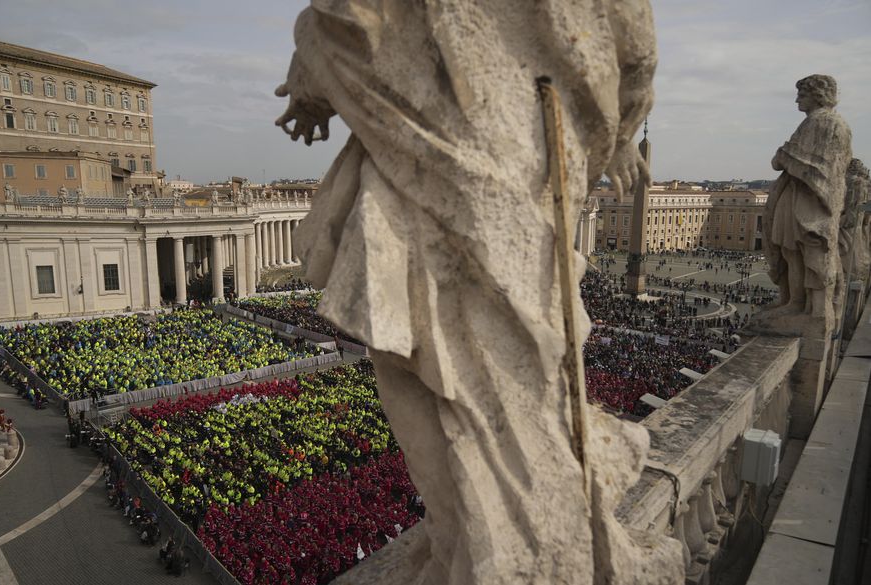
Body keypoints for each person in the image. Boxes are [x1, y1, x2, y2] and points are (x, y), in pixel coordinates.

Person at [278, 1, 678, 583]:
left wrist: (308, 86)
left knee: (434, 369)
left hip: (435, 171)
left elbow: (336, 24)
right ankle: (478, 540)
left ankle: (487, 544)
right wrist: (621, 133)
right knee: (510, 377)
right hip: (511, 159)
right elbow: (635, 48)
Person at [762, 75, 852, 318]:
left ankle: (800, 303)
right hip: (807, 196)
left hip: (806, 199)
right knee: (794, 251)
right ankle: (800, 302)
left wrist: (783, 155)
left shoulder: (819, 123)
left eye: (801, 95)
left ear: (817, 95)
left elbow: (788, 161)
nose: (796, 100)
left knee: (796, 251)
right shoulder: (836, 124)